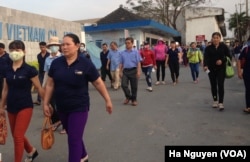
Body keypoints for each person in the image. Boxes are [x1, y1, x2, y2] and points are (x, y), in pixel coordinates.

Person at [43, 33, 112, 162]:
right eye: (62, 45)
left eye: (68, 44)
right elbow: (50, 84)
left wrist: (107, 100)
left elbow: (98, 82)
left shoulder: (85, 63)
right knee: (74, 135)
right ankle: (84, 155)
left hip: (79, 107)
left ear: (77, 46)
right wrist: (46, 103)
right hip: (62, 107)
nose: (64, 47)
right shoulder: (56, 63)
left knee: (73, 139)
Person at [0, 40, 44, 162]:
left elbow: (39, 88)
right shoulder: (6, 70)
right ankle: (31, 151)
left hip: (25, 106)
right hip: (11, 106)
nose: (14, 52)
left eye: (18, 50)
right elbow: (5, 90)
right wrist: (1, 107)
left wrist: (46, 104)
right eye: (12, 50)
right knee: (15, 135)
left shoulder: (29, 70)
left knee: (18, 137)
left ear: (24, 52)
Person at [42, 36, 65, 134]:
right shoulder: (48, 59)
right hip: (50, 85)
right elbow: (46, 74)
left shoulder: (63, 57)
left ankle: (65, 125)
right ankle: (55, 122)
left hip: (62, 85)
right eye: (52, 46)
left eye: (55, 45)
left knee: (62, 105)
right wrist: (43, 86)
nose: (53, 47)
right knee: (51, 104)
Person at [203, 32, 231, 111]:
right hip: (211, 69)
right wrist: (205, 65)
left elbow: (229, 56)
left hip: (221, 69)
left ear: (220, 38)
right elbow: (206, 58)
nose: (215, 39)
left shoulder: (224, 47)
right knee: (213, 85)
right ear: (212, 39)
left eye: (217, 37)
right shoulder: (208, 48)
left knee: (220, 85)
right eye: (214, 38)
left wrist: (222, 61)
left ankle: (221, 102)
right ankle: (215, 100)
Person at [119, 37, 142, 106]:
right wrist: (120, 71)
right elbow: (121, 63)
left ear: (132, 43)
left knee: (134, 86)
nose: (127, 44)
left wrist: (138, 71)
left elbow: (138, 62)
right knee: (123, 85)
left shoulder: (136, 52)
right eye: (126, 43)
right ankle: (128, 96)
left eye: (129, 43)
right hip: (125, 71)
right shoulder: (122, 53)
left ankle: (134, 100)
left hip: (133, 70)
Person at [238, 36, 250, 113]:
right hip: (247, 72)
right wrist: (239, 71)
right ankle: (248, 107)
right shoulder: (246, 49)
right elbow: (239, 59)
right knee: (248, 89)